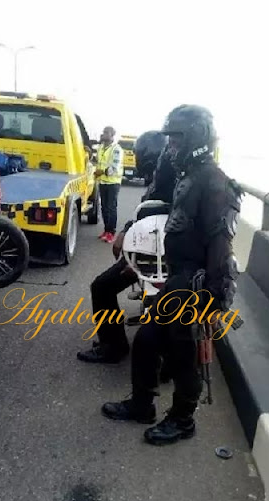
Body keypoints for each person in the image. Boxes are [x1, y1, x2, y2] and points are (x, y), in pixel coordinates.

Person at [100, 105, 243, 446]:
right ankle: (141, 404)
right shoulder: (188, 177)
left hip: (194, 284)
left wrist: (214, 298)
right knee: (148, 341)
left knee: (183, 354)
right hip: (177, 276)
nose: (171, 148)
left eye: (176, 141)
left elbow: (222, 245)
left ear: (195, 139)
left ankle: (183, 419)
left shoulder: (216, 184)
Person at [77, 131, 177, 364]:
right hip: (174, 258)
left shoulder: (163, 183)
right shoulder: (184, 181)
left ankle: (113, 347)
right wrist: (124, 232)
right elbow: (142, 215)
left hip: (150, 256)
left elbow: (146, 215)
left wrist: (133, 258)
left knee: (101, 287)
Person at [95, 126, 124, 243]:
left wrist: (101, 172)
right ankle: (106, 230)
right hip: (102, 182)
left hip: (113, 183)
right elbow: (97, 161)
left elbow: (114, 168)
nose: (104, 134)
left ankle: (111, 233)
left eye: (107, 133)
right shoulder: (101, 147)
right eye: (104, 132)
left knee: (111, 208)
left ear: (112, 135)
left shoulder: (116, 149)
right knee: (104, 207)